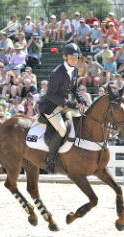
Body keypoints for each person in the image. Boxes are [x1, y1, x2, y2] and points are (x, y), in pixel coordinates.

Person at [38, 43, 87, 173]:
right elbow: (50, 95)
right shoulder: (57, 73)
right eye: (71, 57)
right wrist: (70, 104)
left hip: (64, 104)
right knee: (62, 129)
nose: (74, 60)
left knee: (83, 119)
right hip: (50, 106)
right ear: (65, 57)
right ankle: (50, 160)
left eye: (76, 57)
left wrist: (82, 100)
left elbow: (75, 88)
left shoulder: (75, 70)